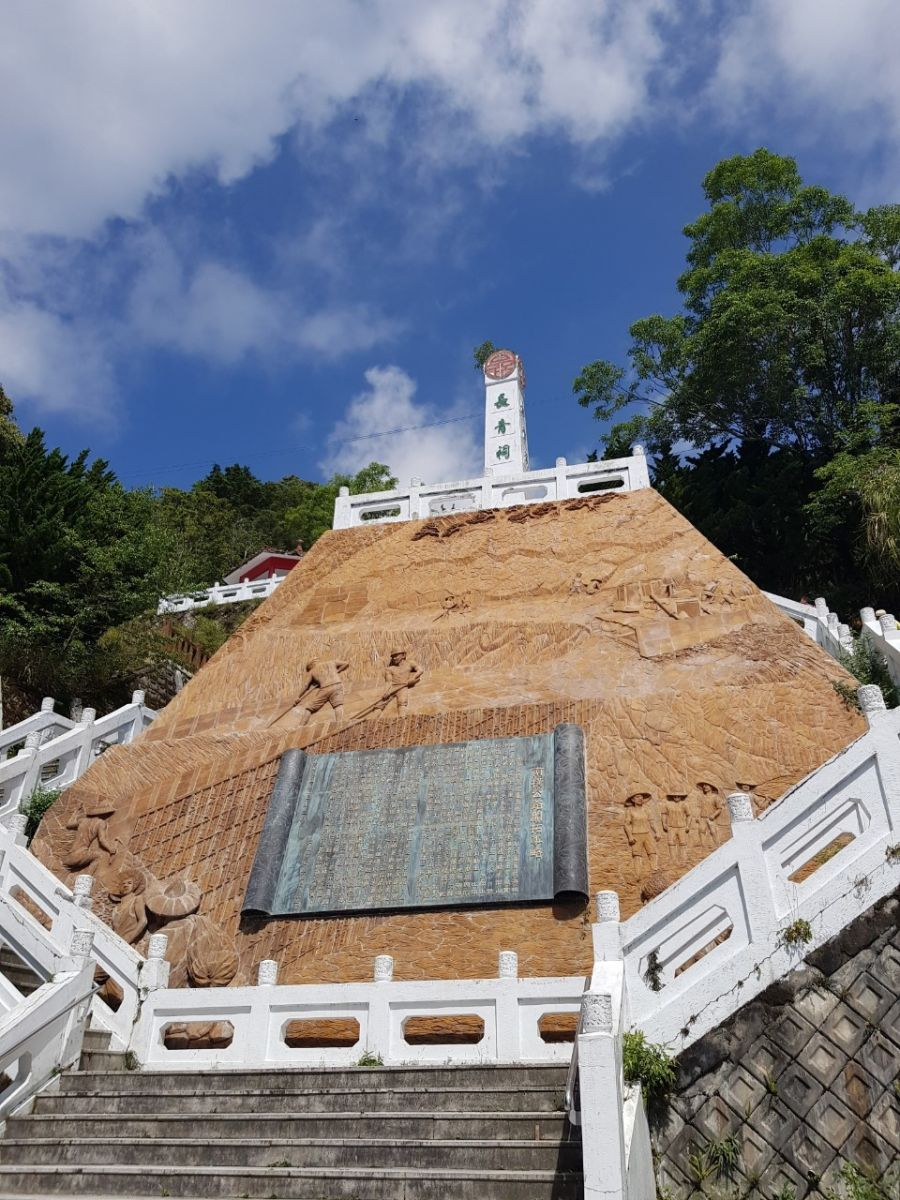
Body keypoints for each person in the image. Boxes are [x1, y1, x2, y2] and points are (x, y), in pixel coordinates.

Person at [294, 659, 350, 726]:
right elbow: (346, 663)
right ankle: (339, 724)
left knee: (309, 708)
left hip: (325, 688)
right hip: (337, 685)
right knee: (338, 705)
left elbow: (306, 685)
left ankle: (300, 727)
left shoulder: (312, 671)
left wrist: (298, 697)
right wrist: (337, 671)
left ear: (311, 665)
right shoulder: (331, 662)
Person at [370, 649, 422, 718]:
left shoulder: (410, 663)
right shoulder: (389, 669)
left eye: (396, 656)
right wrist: (386, 692)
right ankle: (373, 718)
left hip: (403, 686)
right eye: (393, 657)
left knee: (402, 701)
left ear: (403, 655)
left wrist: (413, 678)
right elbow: (388, 682)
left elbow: (420, 670)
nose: (394, 658)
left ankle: (402, 718)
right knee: (380, 703)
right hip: (393, 687)